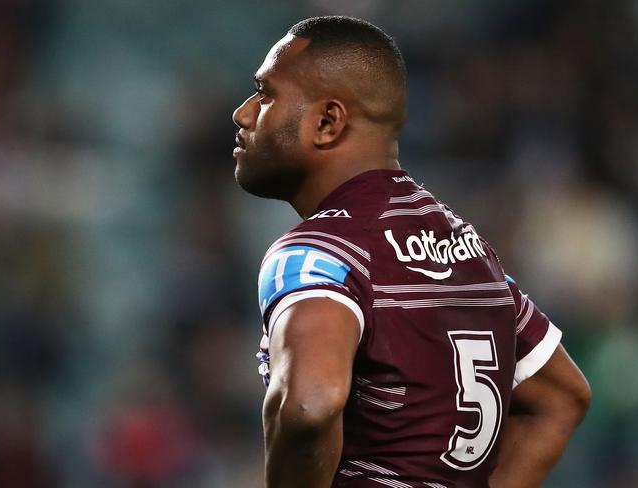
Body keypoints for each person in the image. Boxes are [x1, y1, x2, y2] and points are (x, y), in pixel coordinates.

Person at [232, 16, 591, 488]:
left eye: (266, 93)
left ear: (326, 122)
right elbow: (562, 397)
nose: (243, 112)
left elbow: (307, 406)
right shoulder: (470, 252)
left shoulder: (317, 252)